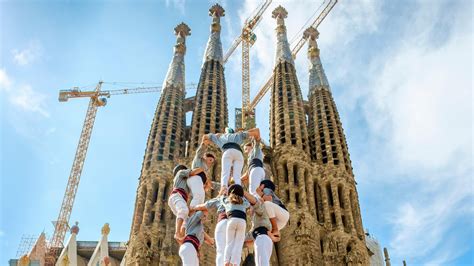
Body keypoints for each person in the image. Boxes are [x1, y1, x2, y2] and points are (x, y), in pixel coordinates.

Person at [167, 165, 206, 243]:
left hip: (179, 199)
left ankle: (182, 238)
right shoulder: (180, 173)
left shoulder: (185, 182)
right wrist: (202, 168)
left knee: (187, 220)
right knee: (183, 210)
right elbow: (193, 172)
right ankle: (177, 233)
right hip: (177, 196)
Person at [191, 190, 228, 266]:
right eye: (204, 216)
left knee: (221, 252)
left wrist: (192, 208)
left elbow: (208, 204)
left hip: (222, 223)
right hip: (234, 223)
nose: (206, 218)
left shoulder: (196, 225)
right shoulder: (240, 200)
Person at [243, 191, 279, 266]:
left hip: (262, 239)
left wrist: (243, 192)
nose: (249, 210)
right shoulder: (256, 224)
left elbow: (255, 203)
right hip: (264, 240)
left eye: (250, 207)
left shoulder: (261, 212)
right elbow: (246, 237)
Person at [223, 184, 250, 266]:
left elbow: (222, 200)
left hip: (232, 220)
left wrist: (224, 193)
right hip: (242, 221)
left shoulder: (227, 200)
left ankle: (226, 262)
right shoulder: (243, 201)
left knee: (229, 242)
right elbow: (248, 205)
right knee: (238, 243)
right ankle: (234, 263)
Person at [188, 136, 216, 208]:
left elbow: (209, 183)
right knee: (198, 196)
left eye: (212, 162)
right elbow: (199, 152)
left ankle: (195, 213)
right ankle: (192, 210)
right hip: (195, 178)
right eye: (210, 160)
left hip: (199, 182)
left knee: (201, 198)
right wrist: (204, 144)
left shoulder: (206, 169)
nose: (210, 163)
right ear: (204, 158)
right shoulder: (199, 159)